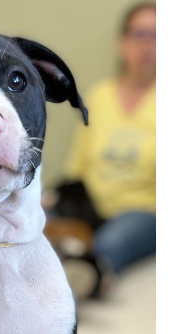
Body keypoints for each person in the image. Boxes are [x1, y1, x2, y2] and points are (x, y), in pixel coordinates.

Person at [59, 3, 156, 293]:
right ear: (122, 43)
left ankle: (89, 275)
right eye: (139, 34)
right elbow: (77, 167)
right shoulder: (99, 96)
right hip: (89, 205)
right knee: (33, 221)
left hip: (141, 211)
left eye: (155, 36)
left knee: (110, 243)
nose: (146, 46)